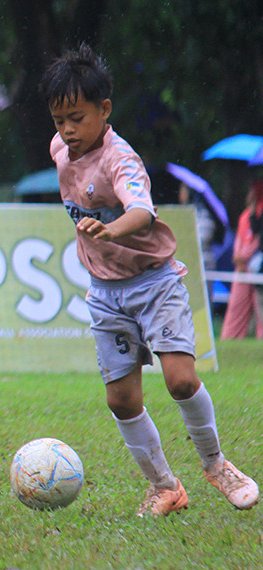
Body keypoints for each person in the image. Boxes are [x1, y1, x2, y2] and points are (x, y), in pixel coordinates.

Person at [39, 44, 258, 518]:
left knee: (180, 381)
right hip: (105, 293)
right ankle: (165, 487)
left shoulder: (122, 160)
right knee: (121, 399)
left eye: (76, 118)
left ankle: (217, 464)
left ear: (105, 110)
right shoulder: (60, 149)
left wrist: (109, 229)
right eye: (59, 120)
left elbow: (141, 211)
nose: (67, 131)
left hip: (155, 283)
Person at [220, 181, 263, 339]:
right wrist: (239, 258)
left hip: (256, 267)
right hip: (242, 268)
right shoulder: (246, 215)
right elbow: (241, 238)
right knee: (236, 308)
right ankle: (230, 338)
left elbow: (258, 239)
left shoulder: (258, 215)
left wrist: (245, 257)